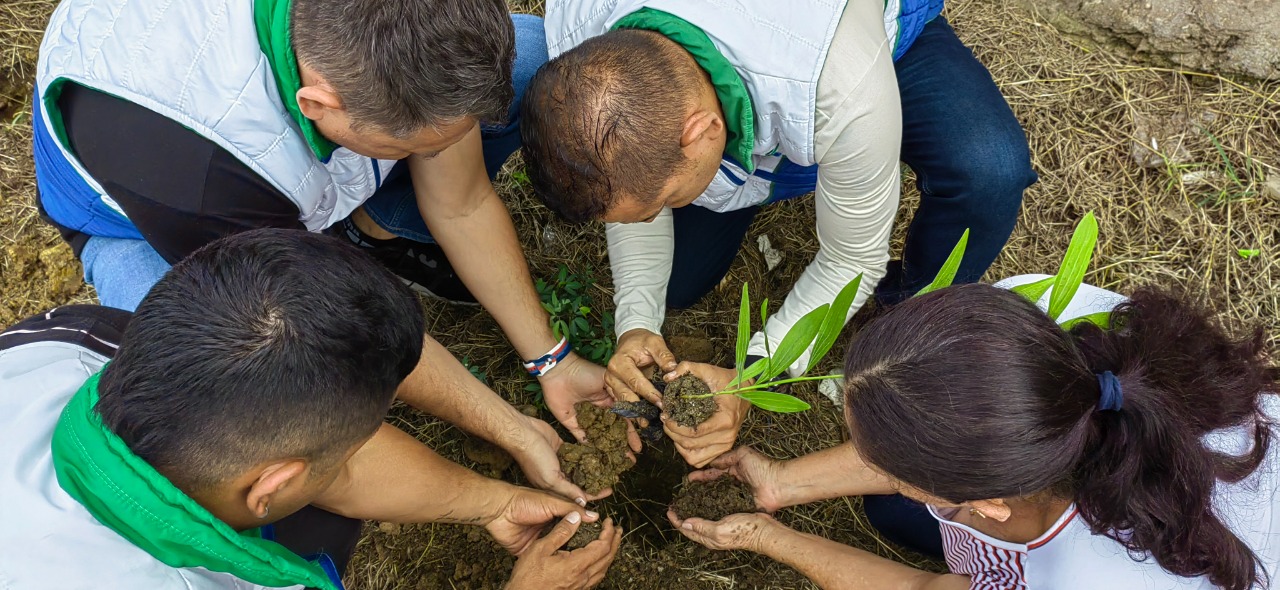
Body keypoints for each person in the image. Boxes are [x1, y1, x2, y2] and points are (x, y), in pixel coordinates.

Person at [32, 0, 617, 447]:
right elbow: (328, 325)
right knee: (228, 388)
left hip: (287, 168)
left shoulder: (371, 61)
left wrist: (553, 360)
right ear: (318, 105)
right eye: (418, 148)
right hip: (141, 225)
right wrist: (509, 427)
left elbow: (460, 203)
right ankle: (335, 232)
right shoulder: (199, 179)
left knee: (534, 56)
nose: (437, 153)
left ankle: (370, 230)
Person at [519, 0, 1036, 466]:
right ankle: (755, 171)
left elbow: (852, 257)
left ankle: (908, 312)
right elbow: (625, 187)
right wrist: (636, 322)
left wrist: (753, 377)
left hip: (854, 39)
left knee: (988, 171)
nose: (654, 217)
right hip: (761, 99)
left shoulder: (840, 79)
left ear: (703, 133)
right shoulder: (577, 45)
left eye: (663, 204)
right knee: (678, 281)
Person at [0, 228, 622, 589]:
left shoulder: (68, 344)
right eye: (354, 446)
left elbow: (328, 466)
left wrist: (498, 503)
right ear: (271, 485)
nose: (359, 451)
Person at [666, 280, 1280, 590]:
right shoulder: (1017, 327)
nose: (866, 457)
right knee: (891, 514)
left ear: (990, 501)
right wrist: (781, 483)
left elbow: (926, 588)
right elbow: (942, 423)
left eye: (888, 465)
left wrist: (767, 538)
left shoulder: (1078, 578)